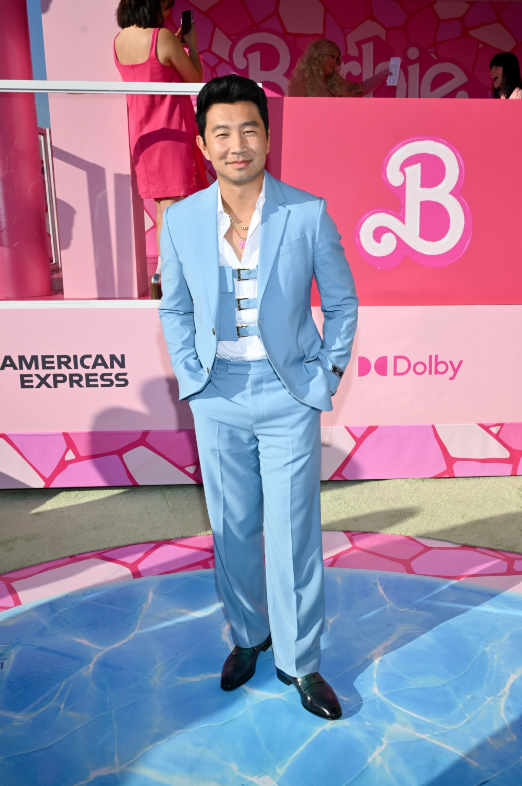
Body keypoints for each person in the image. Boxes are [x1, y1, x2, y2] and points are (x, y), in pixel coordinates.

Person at [159, 75, 358, 720]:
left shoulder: (307, 212)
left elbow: (343, 303)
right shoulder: (181, 220)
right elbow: (174, 308)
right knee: (232, 526)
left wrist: (323, 377)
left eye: (249, 129)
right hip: (216, 394)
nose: (236, 144)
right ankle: (249, 636)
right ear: (203, 144)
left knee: (294, 532)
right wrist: (192, 377)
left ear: (268, 138)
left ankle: (300, 662)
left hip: (287, 394)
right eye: (221, 133)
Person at [114, 0, 207, 271]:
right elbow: (195, 80)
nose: (168, 14)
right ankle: (170, 275)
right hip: (171, 131)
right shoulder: (162, 37)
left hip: (143, 134)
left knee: (163, 207)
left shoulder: (118, 41)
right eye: (166, 7)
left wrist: (173, 45)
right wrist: (192, 46)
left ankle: (166, 273)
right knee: (174, 208)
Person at [287, 38, 390, 97]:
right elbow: (293, 117)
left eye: (336, 59)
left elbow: (364, 86)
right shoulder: (301, 84)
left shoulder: (335, 84)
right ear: (318, 56)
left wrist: (382, 75)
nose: (335, 63)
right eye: (332, 56)